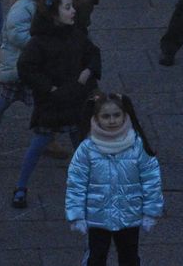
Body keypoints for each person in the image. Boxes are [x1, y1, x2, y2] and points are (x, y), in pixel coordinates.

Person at [13, 0, 100, 208]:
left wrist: (87, 72)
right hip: (53, 103)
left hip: (75, 98)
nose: (73, 11)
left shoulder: (76, 34)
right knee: (40, 142)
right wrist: (48, 88)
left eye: (72, 7)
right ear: (54, 14)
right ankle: (21, 186)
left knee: (80, 143)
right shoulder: (39, 42)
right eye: (67, 8)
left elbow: (92, 53)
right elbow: (25, 67)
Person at [65, 92, 163, 265]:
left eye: (116, 115)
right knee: (96, 257)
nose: (112, 120)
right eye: (106, 116)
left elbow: (151, 180)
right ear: (96, 118)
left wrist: (151, 211)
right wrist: (76, 215)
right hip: (97, 217)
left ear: (125, 115)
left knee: (130, 257)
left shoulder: (137, 145)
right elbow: (76, 183)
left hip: (129, 215)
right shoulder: (87, 148)